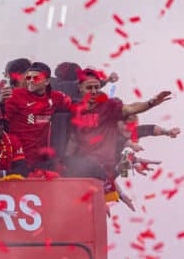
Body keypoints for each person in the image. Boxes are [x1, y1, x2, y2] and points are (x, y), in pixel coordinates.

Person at [64, 68, 172, 196]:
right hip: (81, 168)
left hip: (101, 167)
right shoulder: (74, 109)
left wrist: (151, 102)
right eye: (89, 88)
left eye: (96, 88)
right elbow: (73, 138)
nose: (93, 92)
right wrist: (65, 162)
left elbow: (131, 109)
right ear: (80, 88)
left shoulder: (109, 107)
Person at [4, 62, 72, 172]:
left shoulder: (55, 97)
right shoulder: (15, 95)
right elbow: (1, 119)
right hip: (18, 159)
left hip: (40, 161)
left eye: (36, 78)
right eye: (28, 77)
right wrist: (0, 103)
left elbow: (74, 105)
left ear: (47, 81)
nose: (31, 80)